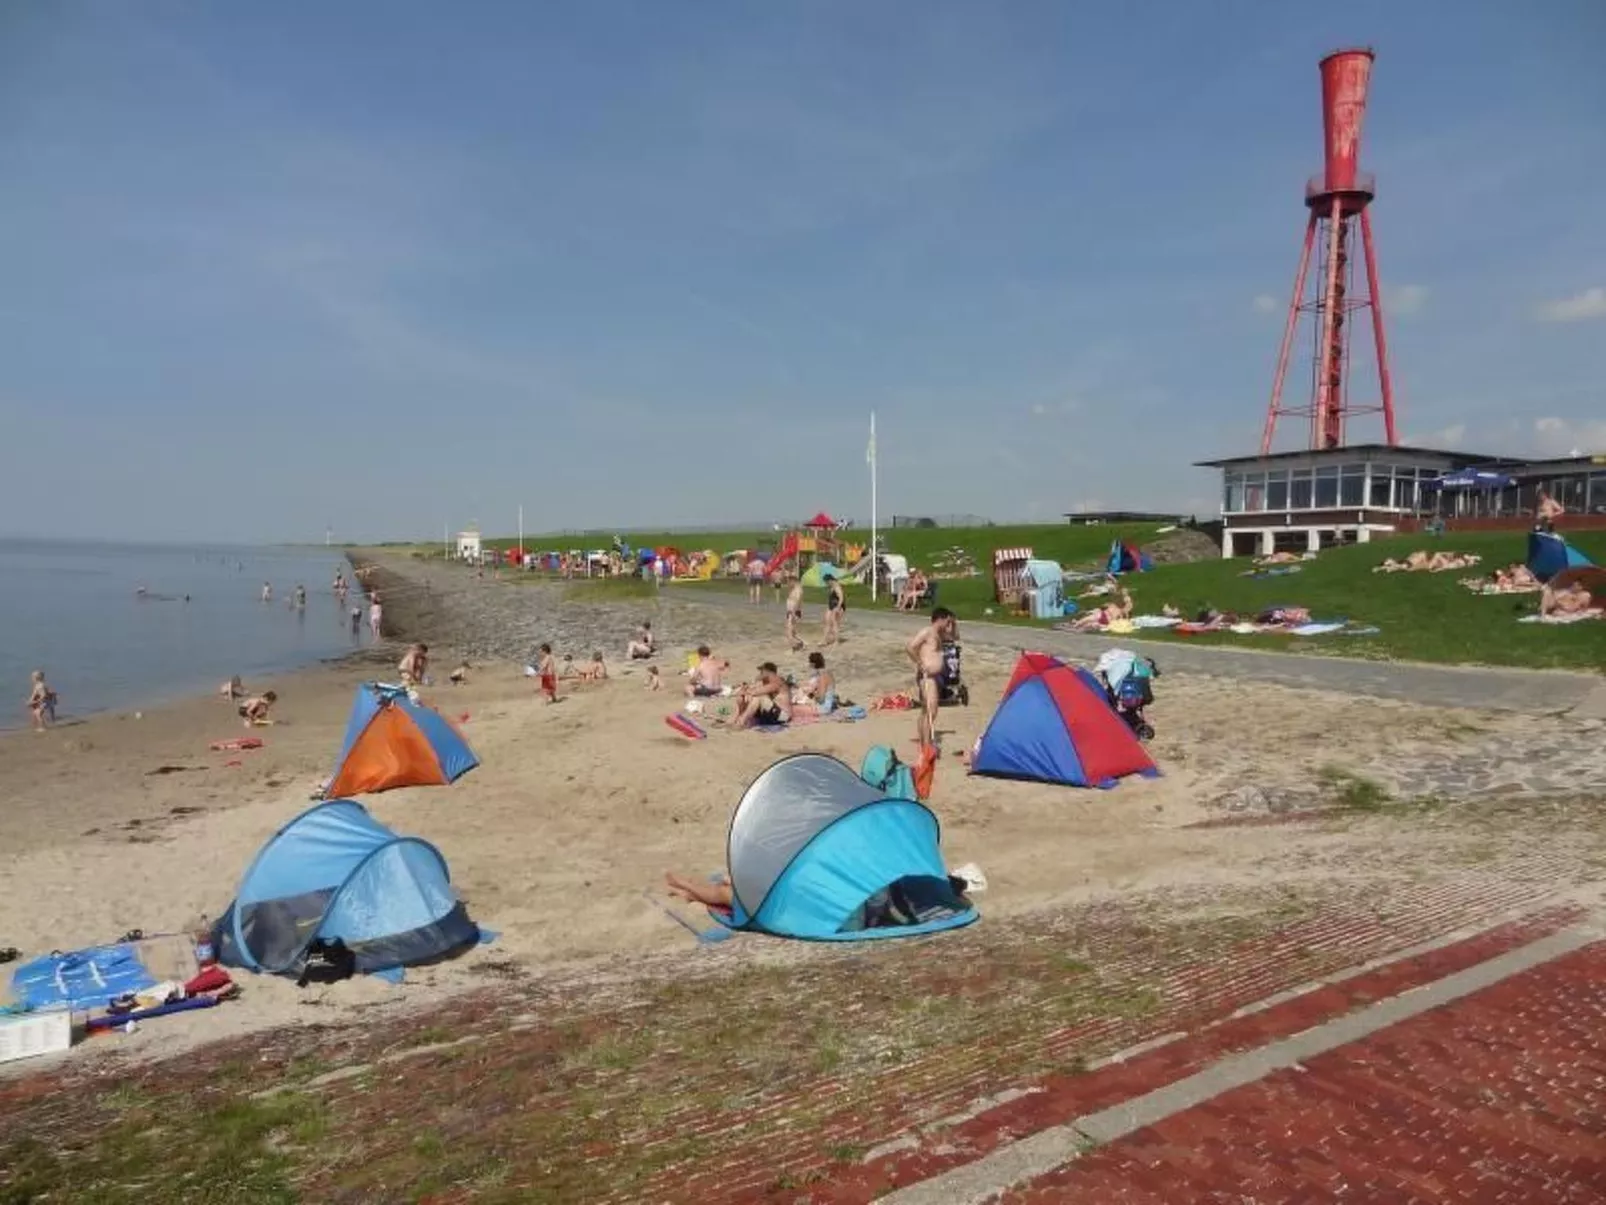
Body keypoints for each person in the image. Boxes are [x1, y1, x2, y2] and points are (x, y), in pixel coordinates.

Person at [665, 870, 972, 930]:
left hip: (832, 911)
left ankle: (691, 889)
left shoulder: (899, 897)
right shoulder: (904, 896)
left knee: (730, 894)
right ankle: (691, 892)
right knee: (739, 888)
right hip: (833, 902)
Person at [907, 607, 958, 749]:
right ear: (940, 619)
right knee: (931, 710)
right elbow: (910, 647)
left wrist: (954, 622)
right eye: (947, 621)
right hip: (927, 676)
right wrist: (920, 663)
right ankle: (927, 746)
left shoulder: (939, 634)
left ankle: (925, 744)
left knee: (926, 710)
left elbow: (955, 636)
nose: (948, 624)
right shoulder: (927, 632)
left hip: (935, 677)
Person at [734, 662, 791, 728]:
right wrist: (745, 691)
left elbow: (755, 692)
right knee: (742, 698)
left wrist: (747, 690)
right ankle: (734, 720)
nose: (760, 673)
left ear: (769, 672)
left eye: (762, 671)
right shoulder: (766, 682)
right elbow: (750, 691)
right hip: (771, 714)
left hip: (783, 717)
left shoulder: (777, 682)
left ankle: (741, 722)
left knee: (759, 697)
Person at [822, 574, 846, 646]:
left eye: (826, 582)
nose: (826, 583)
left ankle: (836, 641)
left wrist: (838, 608)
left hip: (837, 606)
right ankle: (824, 640)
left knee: (834, 623)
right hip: (831, 606)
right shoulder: (832, 586)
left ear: (830, 580)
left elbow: (841, 598)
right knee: (827, 622)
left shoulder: (837, 587)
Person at [784, 581, 804, 650]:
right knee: (792, 632)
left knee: (789, 631)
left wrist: (793, 614)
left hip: (793, 612)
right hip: (790, 612)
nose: (788, 584)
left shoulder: (798, 591)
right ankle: (801, 643)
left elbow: (797, 603)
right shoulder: (793, 590)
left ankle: (793, 646)